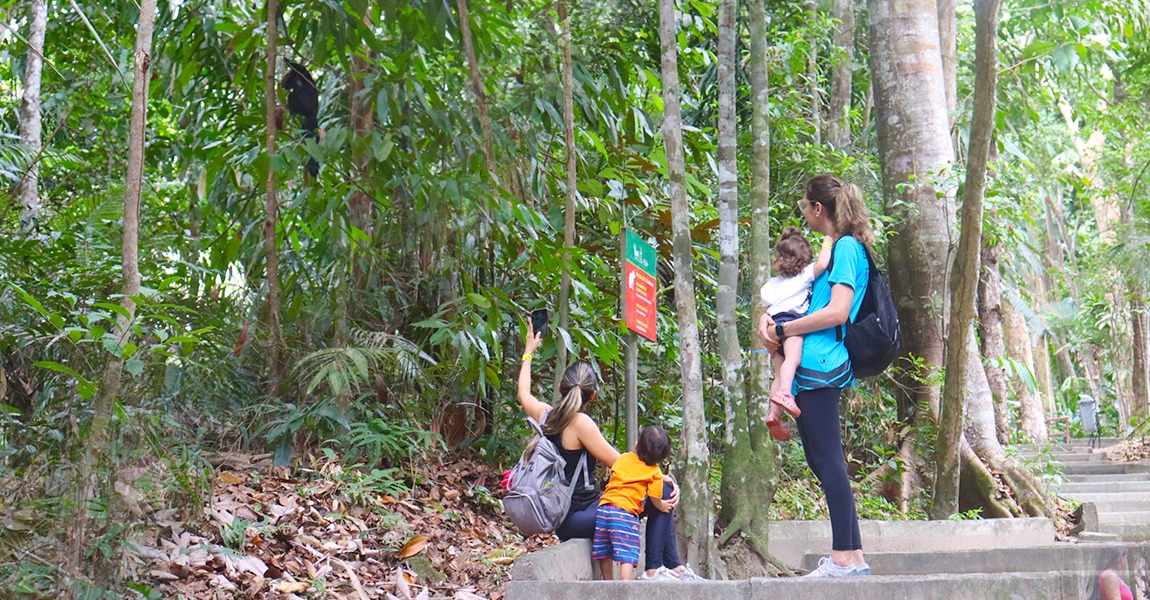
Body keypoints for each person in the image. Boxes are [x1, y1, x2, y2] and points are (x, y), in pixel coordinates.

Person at [517, 324, 702, 581]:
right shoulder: (581, 424)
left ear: (561, 388)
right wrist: (658, 477)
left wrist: (529, 351)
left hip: (566, 515)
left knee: (657, 491)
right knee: (665, 493)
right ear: (592, 396)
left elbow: (523, 393)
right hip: (577, 517)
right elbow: (622, 464)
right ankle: (654, 570)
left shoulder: (546, 414)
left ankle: (673, 568)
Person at [759, 174, 872, 577]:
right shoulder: (839, 249)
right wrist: (771, 324)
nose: (803, 212)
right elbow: (806, 299)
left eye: (805, 205)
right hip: (813, 367)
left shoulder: (844, 248)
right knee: (822, 460)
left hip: (821, 366)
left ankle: (843, 557)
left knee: (828, 462)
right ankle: (853, 556)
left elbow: (838, 312)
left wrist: (785, 330)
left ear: (818, 209)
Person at [760, 226, 832, 442]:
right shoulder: (803, 277)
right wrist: (828, 239)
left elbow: (766, 308)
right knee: (793, 359)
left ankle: (774, 413)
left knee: (779, 371)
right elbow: (822, 264)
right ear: (803, 259)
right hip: (792, 324)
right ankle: (785, 394)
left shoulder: (771, 284)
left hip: (774, 328)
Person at [592, 425, 671, 580]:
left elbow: (621, 472)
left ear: (636, 445)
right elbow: (654, 498)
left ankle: (608, 583)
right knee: (627, 553)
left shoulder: (623, 458)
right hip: (625, 513)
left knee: (604, 550)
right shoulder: (654, 472)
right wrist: (661, 505)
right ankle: (625, 588)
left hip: (604, 508)